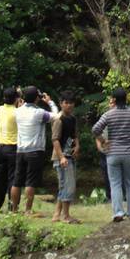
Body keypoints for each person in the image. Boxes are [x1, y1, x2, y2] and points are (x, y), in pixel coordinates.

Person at [92, 87, 130, 222]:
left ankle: (118, 213)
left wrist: (103, 141)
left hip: (113, 153)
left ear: (113, 99)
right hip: (129, 153)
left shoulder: (108, 114)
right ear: (126, 99)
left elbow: (95, 129)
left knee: (115, 184)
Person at [10, 87, 57, 215]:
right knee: (30, 181)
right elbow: (56, 117)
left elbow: (20, 108)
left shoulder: (17, 112)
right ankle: (28, 210)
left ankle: (14, 210)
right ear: (37, 98)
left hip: (20, 150)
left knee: (17, 181)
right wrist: (50, 103)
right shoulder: (39, 113)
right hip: (35, 151)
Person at [0, 86, 21, 213]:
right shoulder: (17, 112)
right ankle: (12, 207)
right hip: (13, 148)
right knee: (12, 179)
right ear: (16, 99)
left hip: (1, 147)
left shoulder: (0, 109)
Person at [51, 94, 80, 224]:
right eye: (66, 102)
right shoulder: (59, 119)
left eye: (71, 102)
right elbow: (55, 140)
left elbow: (75, 135)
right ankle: (66, 216)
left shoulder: (72, 118)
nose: (69, 105)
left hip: (70, 155)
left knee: (64, 186)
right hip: (61, 157)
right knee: (68, 186)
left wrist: (77, 146)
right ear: (61, 104)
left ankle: (57, 215)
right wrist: (61, 157)